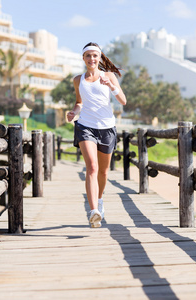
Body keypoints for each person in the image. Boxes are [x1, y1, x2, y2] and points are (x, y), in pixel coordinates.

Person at [67, 42, 126, 228]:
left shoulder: (108, 75)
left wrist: (112, 86)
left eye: (95, 55)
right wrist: (73, 111)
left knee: (103, 171)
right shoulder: (78, 80)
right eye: (88, 56)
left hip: (107, 128)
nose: (92, 59)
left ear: (99, 58)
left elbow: (123, 101)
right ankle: (93, 211)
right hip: (86, 126)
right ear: (83, 58)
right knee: (91, 167)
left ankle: (99, 199)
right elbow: (79, 102)